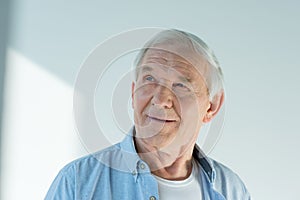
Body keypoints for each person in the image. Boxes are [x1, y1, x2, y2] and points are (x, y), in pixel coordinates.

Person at [45, 29, 251, 200]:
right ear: (134, 92)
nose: (161, 99)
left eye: (181, 85)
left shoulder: (232, 191)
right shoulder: (77, 183)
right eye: (150, 78)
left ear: (211, 107)